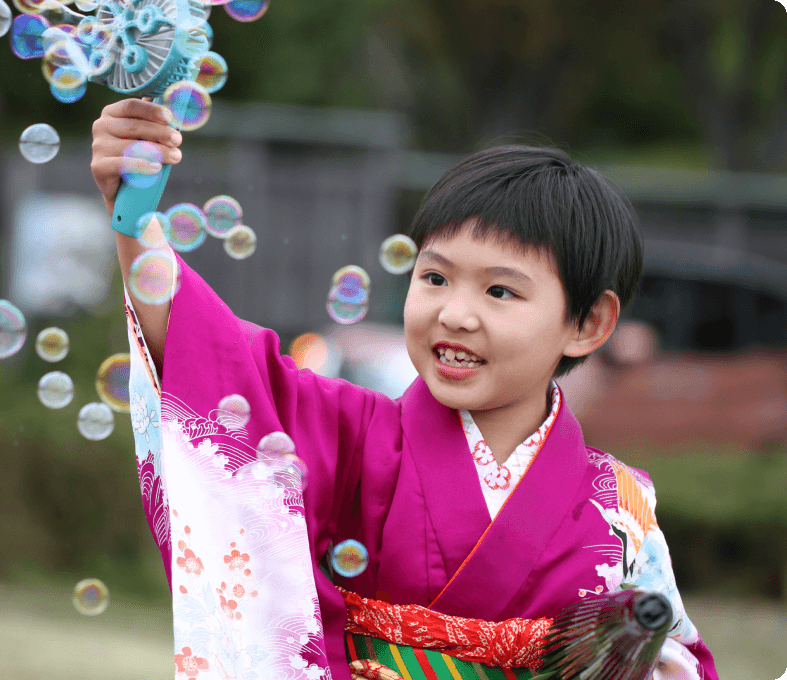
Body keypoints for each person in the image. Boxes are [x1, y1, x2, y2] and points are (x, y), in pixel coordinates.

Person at [90, 98, 719, 680]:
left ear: (588, 324)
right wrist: (135, 217)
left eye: (499, 291)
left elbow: (668, 652)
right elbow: (214, 365)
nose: (455, 313)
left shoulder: (621, 507)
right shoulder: (344, 431)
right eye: (436, 277)